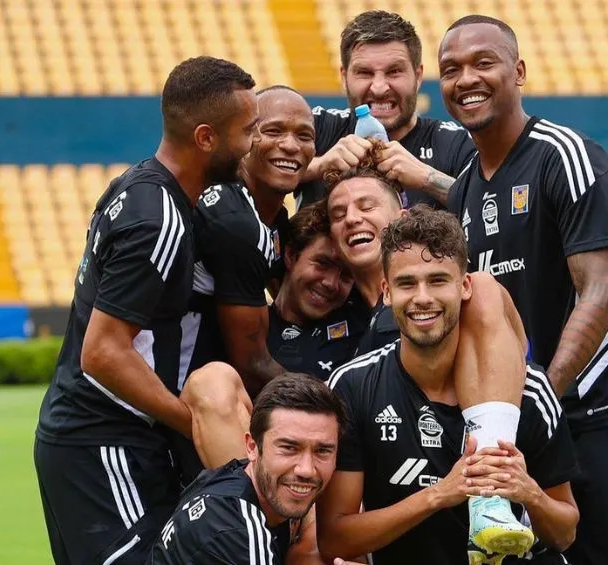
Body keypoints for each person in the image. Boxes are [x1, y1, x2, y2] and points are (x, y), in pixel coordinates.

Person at [440, 16, 608, 564]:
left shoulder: (564, 155)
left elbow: (600, 291)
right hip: (527, 428)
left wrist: (540, 399)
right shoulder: (463, 192)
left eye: (483, 63)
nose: (466, 79)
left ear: (519, 71)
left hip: (601, 412)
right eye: (451, 69)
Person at [34, 56, 259, 565]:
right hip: (103, 442)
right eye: (247, 131)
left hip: (92, 440)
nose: (253, 143)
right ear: (206, 138)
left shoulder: (139, 187)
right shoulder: (159, 220)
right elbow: (103, 352)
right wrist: (193, 424)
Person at [318, 207, 580, 565]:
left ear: (464, 286)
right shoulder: (353, 386)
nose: (423, 297)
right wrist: (439, 494)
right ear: (386, 292)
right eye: (407, 284)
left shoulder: (529, 389)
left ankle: (492, 510)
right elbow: (334, 540)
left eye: (438, 280)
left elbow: (565, 534)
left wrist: (529, 493)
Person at [180, 85, 316, 399]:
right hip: (174, 399)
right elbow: (252, 366)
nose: (290, 145)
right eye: (273, 131)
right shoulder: (235, 220)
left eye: (304, 136)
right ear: (245, 140)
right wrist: (337, 399)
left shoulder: (274, 219)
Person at [147, 372, 347, 564]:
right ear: (252, 447)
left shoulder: (238, 479)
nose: (306, 470)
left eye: (322, 451)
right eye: (289, 448)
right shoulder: (235, 531)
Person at [297, 10, 476, 209]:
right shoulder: (317, 126)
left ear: (418, 77)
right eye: (364, 72)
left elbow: (490, 207)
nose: (379, 88)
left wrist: (428, 178)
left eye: (394, 71)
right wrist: (321, 165)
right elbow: (267, 171)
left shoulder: (456, 143)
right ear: (344, 78)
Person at [267, 201, 365, 381]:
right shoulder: (247, 331)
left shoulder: (364, 323)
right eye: (323, 263)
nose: (331, 283)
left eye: (346, 275)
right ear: (291, 255)